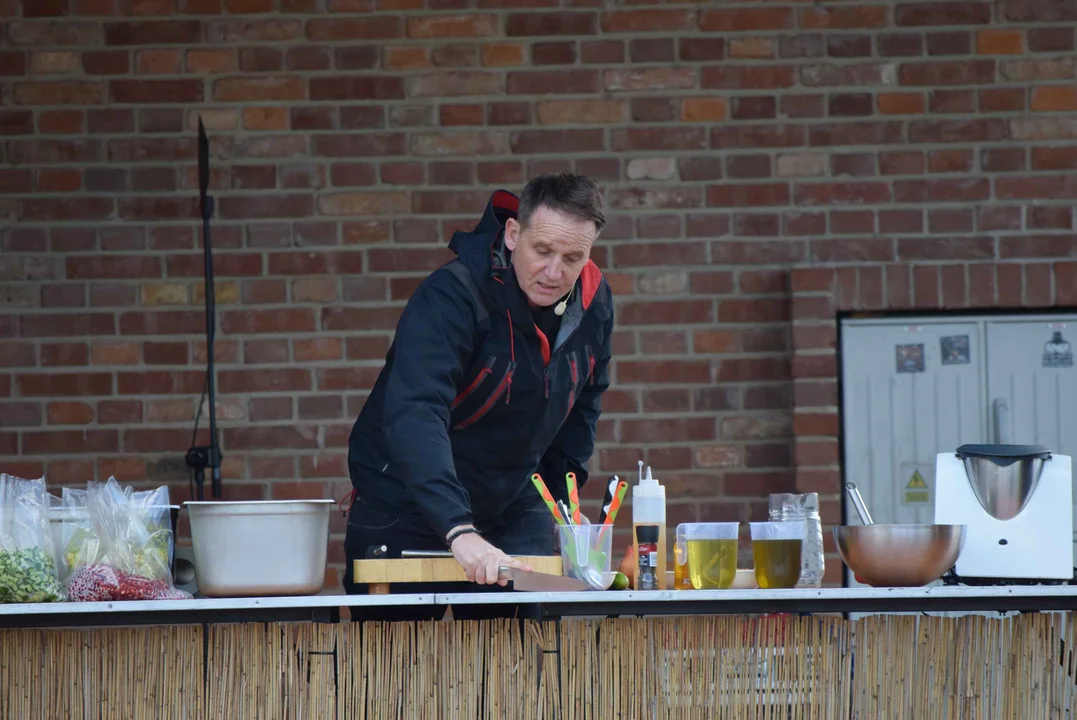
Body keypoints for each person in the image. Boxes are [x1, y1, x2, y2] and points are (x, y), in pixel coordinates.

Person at [341, 173, 615, 620]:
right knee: (390, 675)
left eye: (573, 258)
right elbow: (416, 412)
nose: (554, 272)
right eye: (542, 251)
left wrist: (563, 509)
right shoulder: (452, 295)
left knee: (527, 661)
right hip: (405, 499)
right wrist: (458, 529)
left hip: (511, 498)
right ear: (512, 234)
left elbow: (582, 406)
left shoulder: (593, 303)